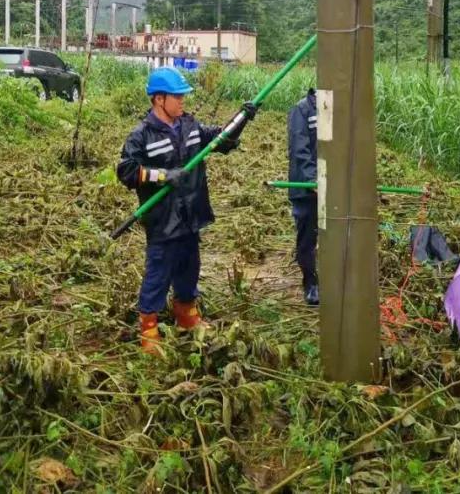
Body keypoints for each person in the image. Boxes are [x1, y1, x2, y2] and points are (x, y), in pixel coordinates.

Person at [117, 66, 256, 355]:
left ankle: (186, 312)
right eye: (177, 97)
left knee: (189, 264)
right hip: (163, 218)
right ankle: (149, 326)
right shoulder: (142, 136)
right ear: (159, 99)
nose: (183, 101)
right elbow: (127, 171)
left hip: (191, 212)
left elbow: (220, 140)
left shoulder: (190, 126)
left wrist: (241, 120)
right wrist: (163, 176)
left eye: (183, 97)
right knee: (159, 269)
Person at [287, 88, 319, 306]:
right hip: (307, 189)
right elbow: (299, 150)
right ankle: (311, 282)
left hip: (334, 186)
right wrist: (313, 180)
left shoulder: (340, 107)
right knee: (307, 237)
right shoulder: (302, 110)